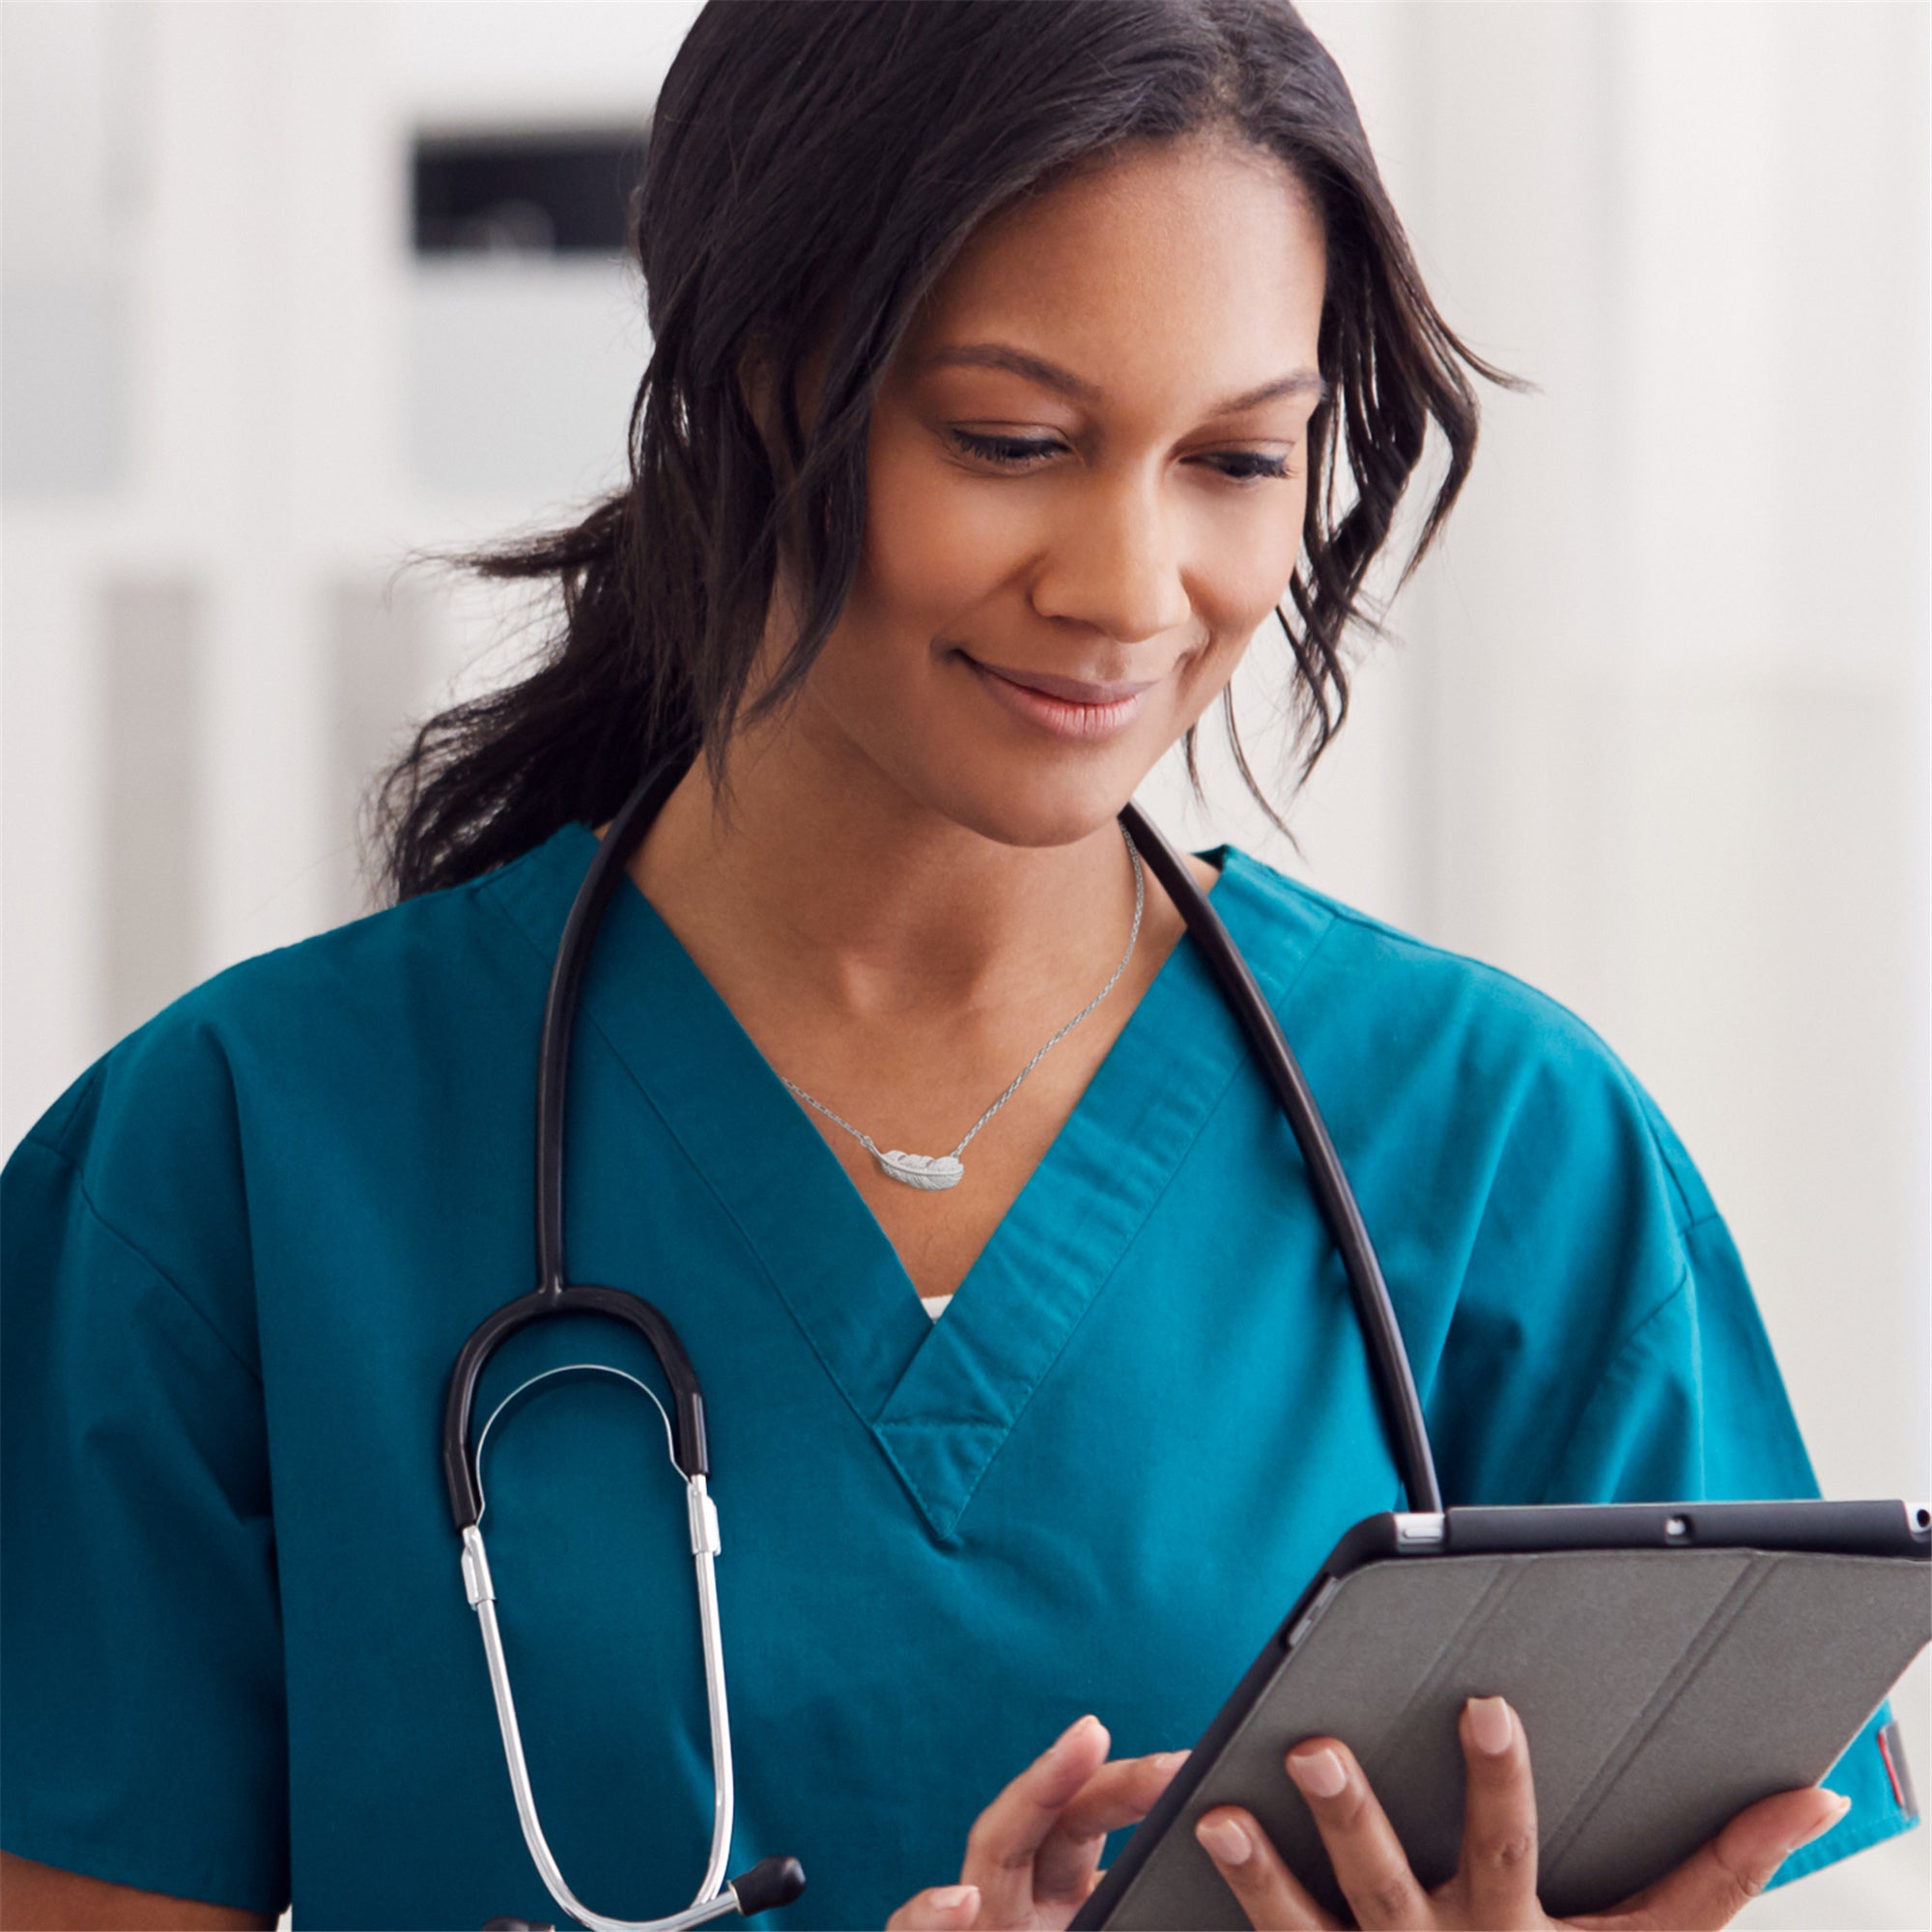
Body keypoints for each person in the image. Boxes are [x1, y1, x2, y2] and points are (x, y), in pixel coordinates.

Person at [0, 2, 1916, 1928]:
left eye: (1239, 459)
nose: (1127, 585)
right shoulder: (225, 1171)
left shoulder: (1503, 1151)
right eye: (1013, 440)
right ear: (754, 380)